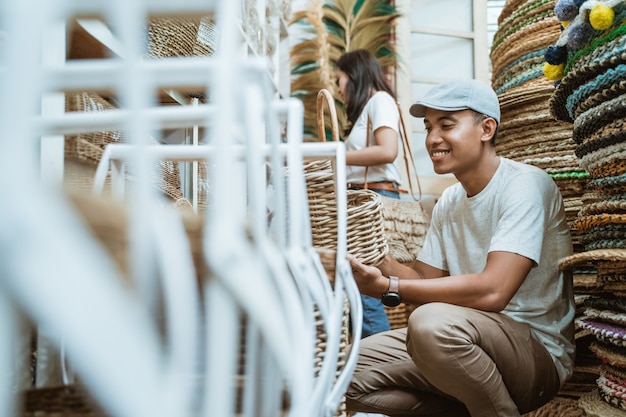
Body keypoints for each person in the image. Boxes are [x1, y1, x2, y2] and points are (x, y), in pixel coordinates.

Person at [345, 79, 575, 417]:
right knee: (345, 373)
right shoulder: (450, 200)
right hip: (468, 345)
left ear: (486, 129)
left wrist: (390, 287)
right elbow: (423, 278)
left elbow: (495, 291)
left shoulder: (524, 185)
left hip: (536, 354)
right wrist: (377, 259)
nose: (433, 138)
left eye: (446, 125)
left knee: (429, 325)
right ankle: (471, 403)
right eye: (428, 127)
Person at [336, 48, 404, 338]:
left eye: (338, 80)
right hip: (365, 201)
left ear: (354, 76)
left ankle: (376, 364)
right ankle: (370, 363)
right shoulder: (371, 107)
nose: (338, 89)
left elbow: (388, 151)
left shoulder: (380, 101)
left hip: (373, 202)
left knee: (364, 291)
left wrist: (334, 155)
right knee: (358, 290)